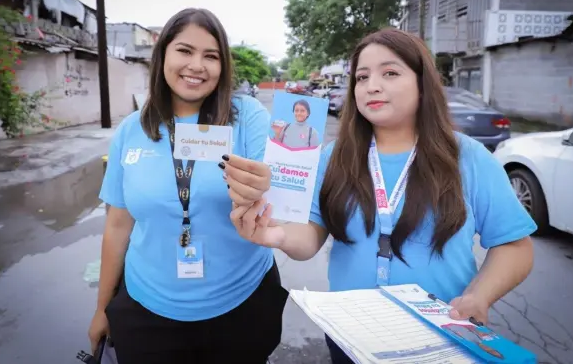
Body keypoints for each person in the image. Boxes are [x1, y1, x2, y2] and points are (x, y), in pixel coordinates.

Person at [225, 28, 536, 364]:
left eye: (390, 73)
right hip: (349, 339)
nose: (372, 85)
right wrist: (277, 234)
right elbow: (312, 235)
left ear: (422, 82)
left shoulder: (468, 158)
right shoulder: (333, 156)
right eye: (362, 77)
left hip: (440, 340)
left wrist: (479, 296)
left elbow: (515, 246)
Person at [88, 8, 288, 364]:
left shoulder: (248, 116)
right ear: (163, 53)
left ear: (223, 66)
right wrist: (102, 309)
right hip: (146, 309)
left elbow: (281, 189)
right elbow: (117, 227)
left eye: (210, 56)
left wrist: (266, 184)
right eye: (185, 51)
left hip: (241, 307)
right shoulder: (131, 130)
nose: (197, 65)